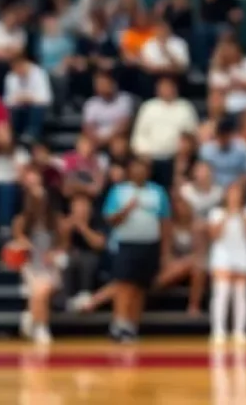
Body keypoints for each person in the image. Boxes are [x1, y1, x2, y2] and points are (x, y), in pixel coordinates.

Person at [103, 157, 170, 342]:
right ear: (130, 171)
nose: (139, 172)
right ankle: (119, 324)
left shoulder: (158, 192)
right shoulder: (119, 191)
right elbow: (110, 219)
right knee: (124, 284)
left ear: (148, 171)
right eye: (135, 168)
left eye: (143, 168)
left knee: (140, 286)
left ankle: (132, 325)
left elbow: (165, 222)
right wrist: (125, 210)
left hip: (149, 244)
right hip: (126, 243)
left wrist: (165, 251)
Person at [11, 168, 66, 345]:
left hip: (50, 265)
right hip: (30, 264)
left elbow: (63, 244)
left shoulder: (56, 220)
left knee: (41, 292)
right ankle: (41, 326)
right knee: (38, 292)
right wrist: (24, 244)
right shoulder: (20, 221)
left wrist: (54, 253)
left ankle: (32, 318)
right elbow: (17, 242)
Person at [131, 75, 200, 189]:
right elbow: (139, 136)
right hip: (150, 158)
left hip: (176, 158)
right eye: (163, 86)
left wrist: (183, 154)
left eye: (169, 86)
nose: (166, 89)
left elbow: (191, 136)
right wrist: (144, 154)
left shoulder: (185, 107)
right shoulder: (148, 107)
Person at [62, 192, 108, 311]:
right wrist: (66, 231)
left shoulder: (97, 220)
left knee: (88, 260)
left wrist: (83, 227)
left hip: (94, 255)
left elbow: (99, 244)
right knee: (65, 261)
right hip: (71, 256)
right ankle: (67, 298)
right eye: (76, 206)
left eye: (83, 206)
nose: (80, 209)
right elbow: (62, 247)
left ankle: (85, 295)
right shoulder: (66, 222)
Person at [82, 71, 135, 150]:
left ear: (112, 83)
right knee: (84, 146)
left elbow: (124, 125)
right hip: (96, 138)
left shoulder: (124, 100)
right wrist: (97, 138)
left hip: (117, 137)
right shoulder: (91, 103)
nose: (101, 86)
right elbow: (88, 127)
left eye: (104, 83)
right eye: (98, 84)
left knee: (119, 147)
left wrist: (108, 138)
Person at [4, 57, 53, 143]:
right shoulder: (11, 76)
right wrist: (19, 99)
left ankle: (32, 135)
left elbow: (46, 98)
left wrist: (29, 98)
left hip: (36, 107)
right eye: (15, 68)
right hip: (19, 107)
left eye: (20, 67)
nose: (18, 71)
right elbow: (7, 100)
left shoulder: (39, 73)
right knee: (13, 110)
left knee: (37, 108)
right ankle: (15, 137)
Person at [200, 115, 246, 189]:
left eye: (227, 135)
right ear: (217, 135)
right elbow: (201, 171)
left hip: (236, 189)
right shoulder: (206, 150)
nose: (224, 138)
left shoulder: (242, 148)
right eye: (221, 135)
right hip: (213, 189)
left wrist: (238, 186)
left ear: (231, 134)